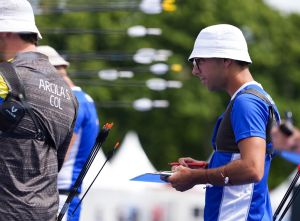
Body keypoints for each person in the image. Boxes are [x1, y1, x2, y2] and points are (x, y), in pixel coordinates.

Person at [166, 24, 280, 221]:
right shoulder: (256, 98)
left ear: (226, 59)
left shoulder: (246, 103)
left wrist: (195, 178)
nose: (194, 71)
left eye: (199, 61)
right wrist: (207, 168)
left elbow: (252, 168)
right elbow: (242, 161)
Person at [0, 0, 78, 220]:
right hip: (44, 213)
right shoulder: (68, 93)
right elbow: (58, 161)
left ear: (5, 31)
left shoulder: (3, 78)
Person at [36, 45, 100, 221]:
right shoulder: (84, 99)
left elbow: (58, 157)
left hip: (59, 199)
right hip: (65, 197)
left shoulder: (69, 102)